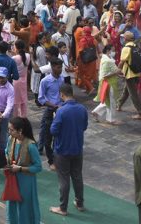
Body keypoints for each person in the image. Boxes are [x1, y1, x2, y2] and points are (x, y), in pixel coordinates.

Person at [49, 84, 87, 216]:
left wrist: (55, 119)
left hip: (63, 149)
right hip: (77, 148)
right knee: (77, 176)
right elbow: (84, 126)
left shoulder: (61, 111)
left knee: (64, 179)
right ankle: (80, 203)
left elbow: (53, 131)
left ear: (61, 94)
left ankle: (63, 208)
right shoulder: (82, 108)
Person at [37, 58, 64, 169]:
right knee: (48, 137)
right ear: (52, 67)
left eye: (61, 67)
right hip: (50, 111)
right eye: (58, 67)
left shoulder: (62, 79)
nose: (60, 69)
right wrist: (53, 106)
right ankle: (50, 160)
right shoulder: (45, 81)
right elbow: (41, 99)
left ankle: (58, 158)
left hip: (61, 111)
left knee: (59, 136)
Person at [117, 31, 141, 119]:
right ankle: (119, 104)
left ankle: (140, 112)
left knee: (133, 94)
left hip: (129, 74)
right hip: (137, 73)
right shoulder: (136, 47)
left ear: (125, 38)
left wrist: (118, 70)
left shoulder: (126, 48)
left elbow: (122, 61)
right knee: (127, 90)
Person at [92, 45, 122, 124]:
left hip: (110, 82)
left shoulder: (108, 59)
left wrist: (118, 73)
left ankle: (96, 112)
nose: (114, 52)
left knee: (108, 101)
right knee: (111, 101)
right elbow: (105, 75)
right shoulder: (107, 61)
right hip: (108, 83)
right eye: (113, 50)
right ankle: (111, 119)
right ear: (108, 50)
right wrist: (116, 72)